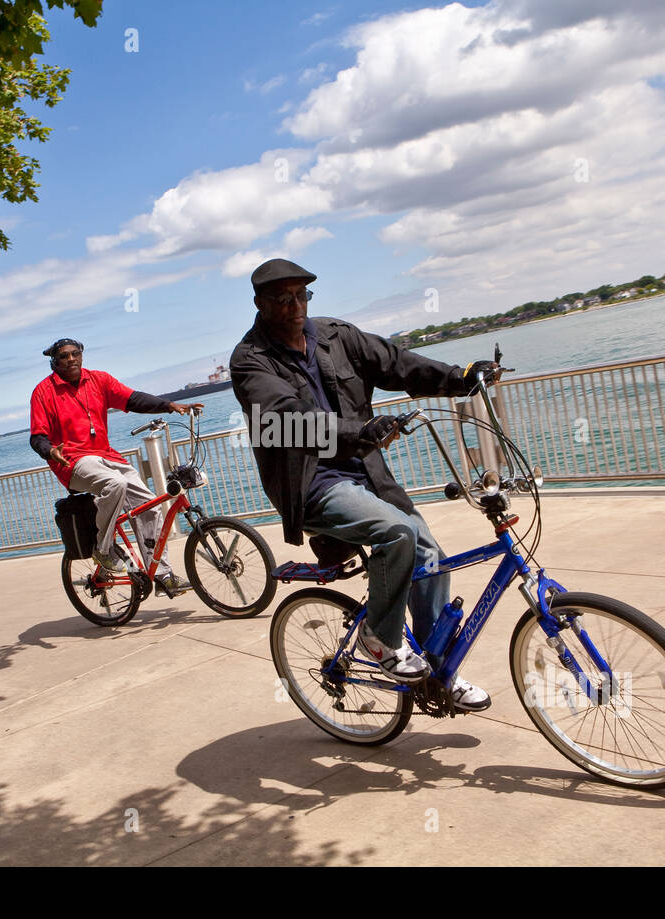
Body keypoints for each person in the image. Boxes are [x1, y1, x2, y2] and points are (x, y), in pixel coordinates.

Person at [229, 259, 497, 710]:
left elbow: (397, 364)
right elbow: (287, 417)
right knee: (397, 533)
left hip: (367, 473)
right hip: (312, 483)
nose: (296, 306)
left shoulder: (336, 335)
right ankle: (379, 636)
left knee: (430, 556)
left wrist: (461, 377)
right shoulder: (250, 361)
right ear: (260, 304)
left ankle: (438, 673)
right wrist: (358, 433)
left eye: (302, 295)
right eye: (284, 298)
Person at [29, 337, 202, 599]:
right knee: (115, 484)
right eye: (64, 356)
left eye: (75, 353)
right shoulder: (43, 391)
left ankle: (163, 575)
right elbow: (37, 435)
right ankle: (103, 547)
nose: (71, 359)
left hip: (108, 457)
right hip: (72, 462)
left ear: (82, 355)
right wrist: (50, 451)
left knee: (149, 506)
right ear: (54, 362)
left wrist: (168, 405)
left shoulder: (98, 380)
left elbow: (132, 399)